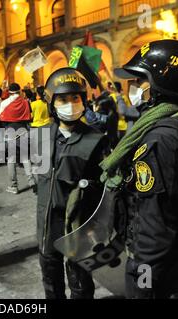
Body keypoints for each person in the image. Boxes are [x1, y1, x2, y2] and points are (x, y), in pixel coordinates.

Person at [101, 39, 178, 298]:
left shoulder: (160, 139)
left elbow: (155, 220)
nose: (133, 87)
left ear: (163, 83)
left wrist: (142, 276)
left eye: (140, 81)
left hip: (154, 266)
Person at [37, 68, 109, 299]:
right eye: (63, 99)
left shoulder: (96, 140)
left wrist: (87, 185)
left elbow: (107, 182)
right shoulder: (40, 135)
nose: (70, 104)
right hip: (48, 221)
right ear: (52, 103)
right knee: (50, 273)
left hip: (78, 221)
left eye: (75, 98)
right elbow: (5, 146)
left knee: (79, 276)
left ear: (83, 100)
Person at [0, 82, 36, 194]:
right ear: (19, 91)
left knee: (11, 160)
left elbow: (0, 118)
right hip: (23, 130)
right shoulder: (25, 102)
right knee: (25, 158)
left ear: (9, 92)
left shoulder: (4, 103)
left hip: (10, 131)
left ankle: (13, 186)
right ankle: (32, 182)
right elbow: (29, 117)